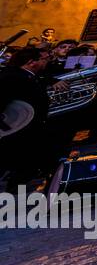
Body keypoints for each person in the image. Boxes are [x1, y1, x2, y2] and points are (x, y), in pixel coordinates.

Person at [0, 47, 58, 192]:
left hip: (27, 127)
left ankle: (15, 187)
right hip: (15, 129)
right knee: (13, 162)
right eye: (44, 59)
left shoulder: (25, 75)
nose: (47, 62)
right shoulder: (13, 77)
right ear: (32, 62)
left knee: (24, 164)